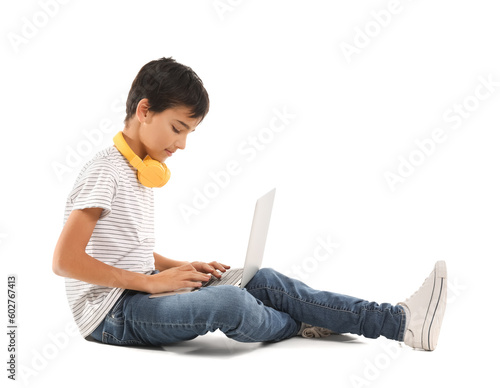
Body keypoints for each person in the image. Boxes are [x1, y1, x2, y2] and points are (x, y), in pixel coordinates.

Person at [52, 57, 447, 351]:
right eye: (177, 128)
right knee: (231, 301)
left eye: (189, 133)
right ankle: (303, 321)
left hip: (140, 292)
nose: (183, 144)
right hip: (111, 315)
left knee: (261, 279)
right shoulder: (105, 171)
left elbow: (124, 248)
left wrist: (178, 268)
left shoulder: (140, 168)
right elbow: (65, 261)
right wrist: (151, 283)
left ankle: (399, 322)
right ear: (144, 111)